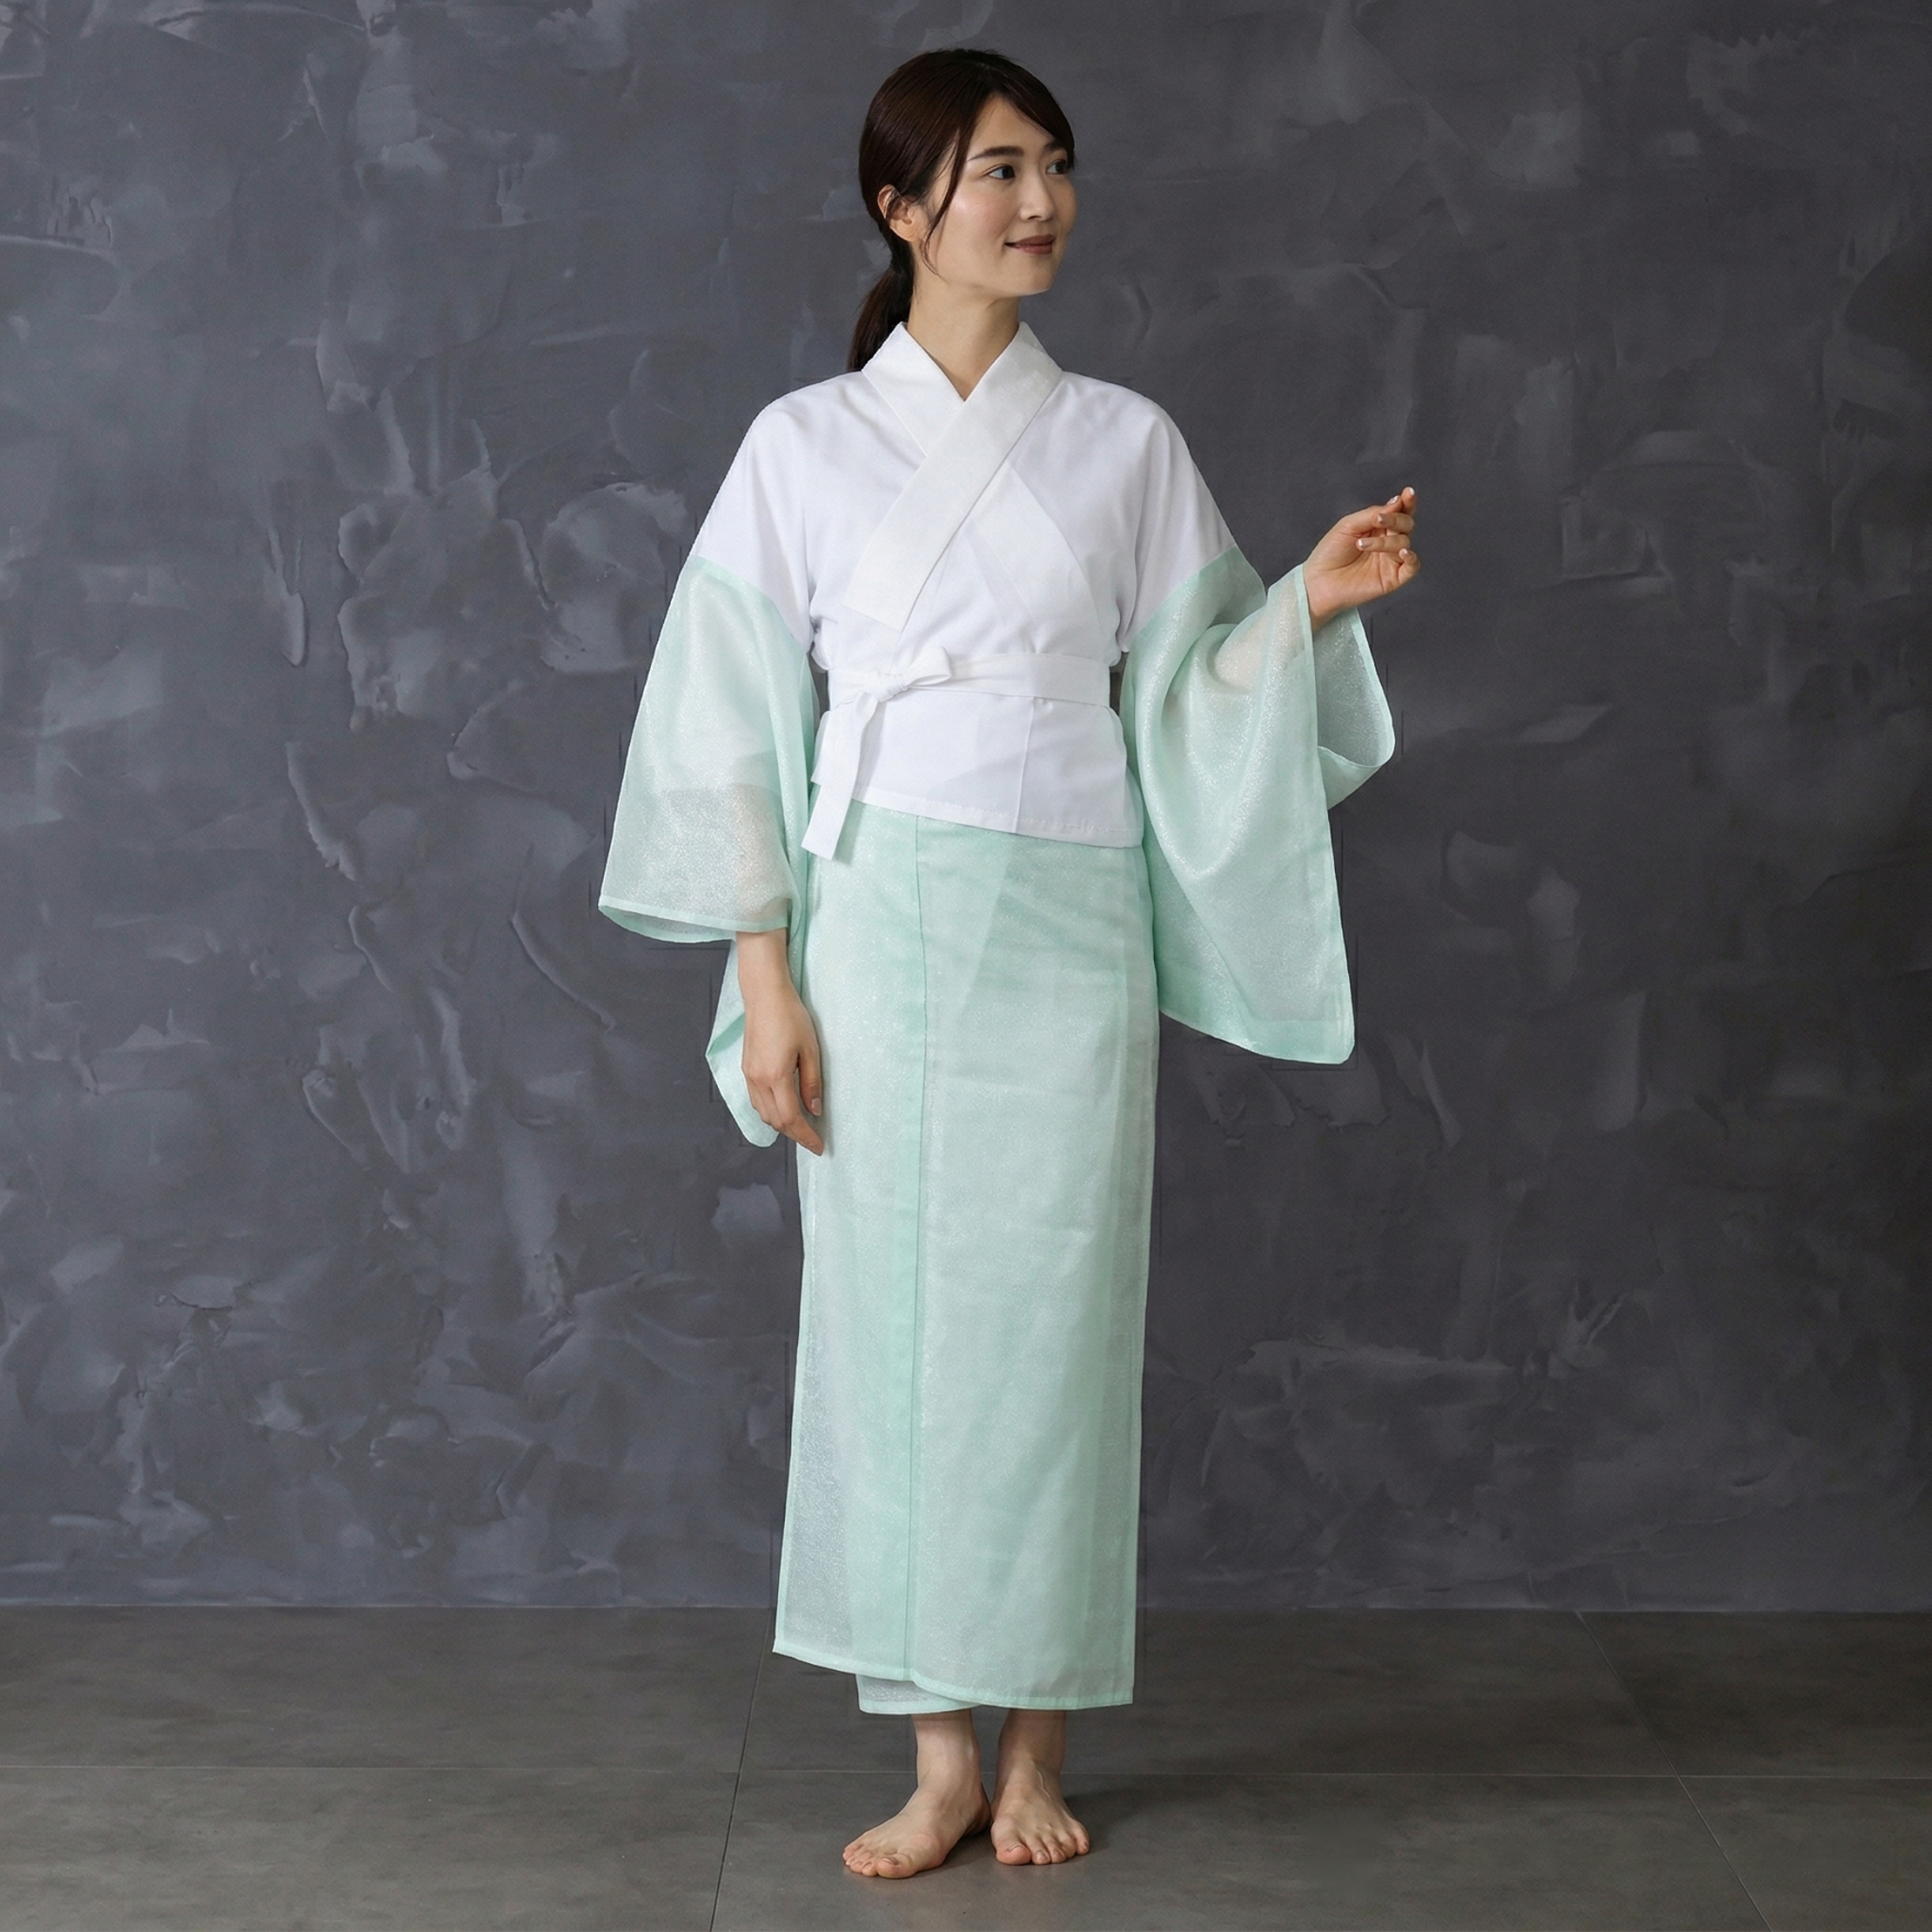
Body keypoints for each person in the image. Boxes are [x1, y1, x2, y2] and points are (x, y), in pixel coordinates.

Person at [596, 47, 1418, 1880]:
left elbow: (1188, 694)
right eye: (995, 171)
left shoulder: (1125, 443)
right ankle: (937, 1755)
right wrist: (768, 975)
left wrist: (1304, 603)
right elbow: (729, 725)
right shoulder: (800, 449)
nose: (1040, 201)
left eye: (1055, 164)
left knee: (1056, 1332)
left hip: (1069, 922)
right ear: (902, 209)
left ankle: (1038, 1742)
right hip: (874, 921)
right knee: (891, 1335)